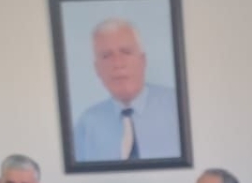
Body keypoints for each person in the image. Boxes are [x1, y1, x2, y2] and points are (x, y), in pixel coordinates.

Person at [73, 18, 182, 162]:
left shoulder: (178, 106)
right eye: (106, 56)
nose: (118, 63)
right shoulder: (87, 123)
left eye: (126, 52)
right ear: (97, 69)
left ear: (143, 60)